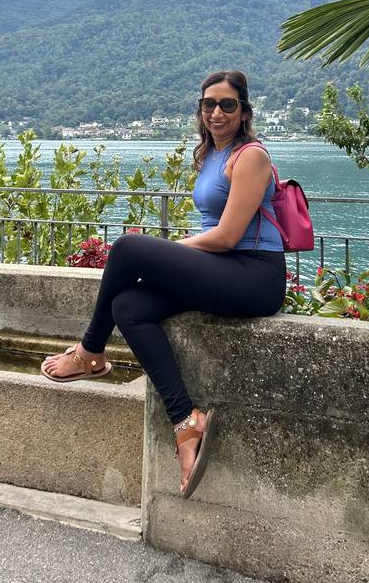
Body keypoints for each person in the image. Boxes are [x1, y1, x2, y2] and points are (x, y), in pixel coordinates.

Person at [40, 70, 286, 498]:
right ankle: (186, 421)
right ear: (200, 110)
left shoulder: (251, 156)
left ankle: (89, 353)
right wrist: (173, 256)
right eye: (209, 104)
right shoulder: (211, 155)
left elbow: (228, 237)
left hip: (254, 276)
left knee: (128, 249)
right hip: (223, 269)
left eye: (228, 104)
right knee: (129, 307)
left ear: (244, 111)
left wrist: (170, 251)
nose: (217, 112)